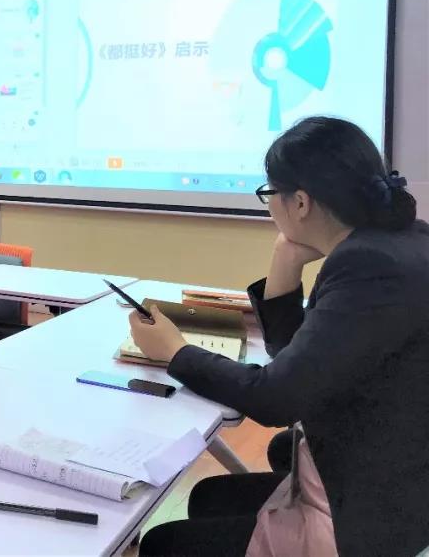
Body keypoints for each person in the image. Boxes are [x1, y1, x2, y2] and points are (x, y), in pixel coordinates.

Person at [130, 116, 429, 556]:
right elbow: (301, 364)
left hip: (371, 515)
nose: (269, 206)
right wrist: (285, 261)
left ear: (301, 202)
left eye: (270, 194)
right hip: (386, 473)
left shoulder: (368, 266)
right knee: (208, 496)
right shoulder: (402, 240)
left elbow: (277, 397)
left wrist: (175, 351)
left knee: (162, 544)